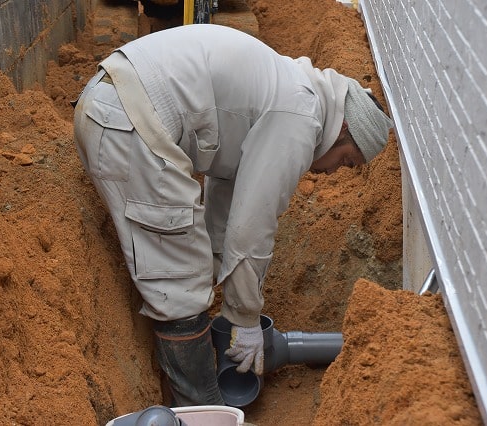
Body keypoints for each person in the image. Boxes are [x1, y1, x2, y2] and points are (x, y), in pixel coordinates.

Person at [73, 24, 393, 407]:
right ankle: (201, 408)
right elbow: (251, 228)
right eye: (347, 160)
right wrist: (244, 319)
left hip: (115, 105)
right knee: (179, 282)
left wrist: (220, 278)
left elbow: (227, 197)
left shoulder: (293, 89)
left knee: (191, 264)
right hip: (127, 123)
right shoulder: (301, 116)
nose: (335, 171)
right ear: (343, 128)